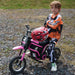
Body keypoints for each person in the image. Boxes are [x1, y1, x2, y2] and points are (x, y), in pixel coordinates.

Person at [44, 1, 63, 71]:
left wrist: (48, 22)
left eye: (55, 8)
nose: (54, 9)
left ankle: (53, 63)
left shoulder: (59, 17)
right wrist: (49, 23)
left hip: (55, 36)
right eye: (52, 8)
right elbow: (45, 23)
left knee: (50, 48)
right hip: (48, 34)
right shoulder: (50, 15)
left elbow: (54, 26)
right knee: (39, 41)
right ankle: (35, 53)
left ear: (59, 9)